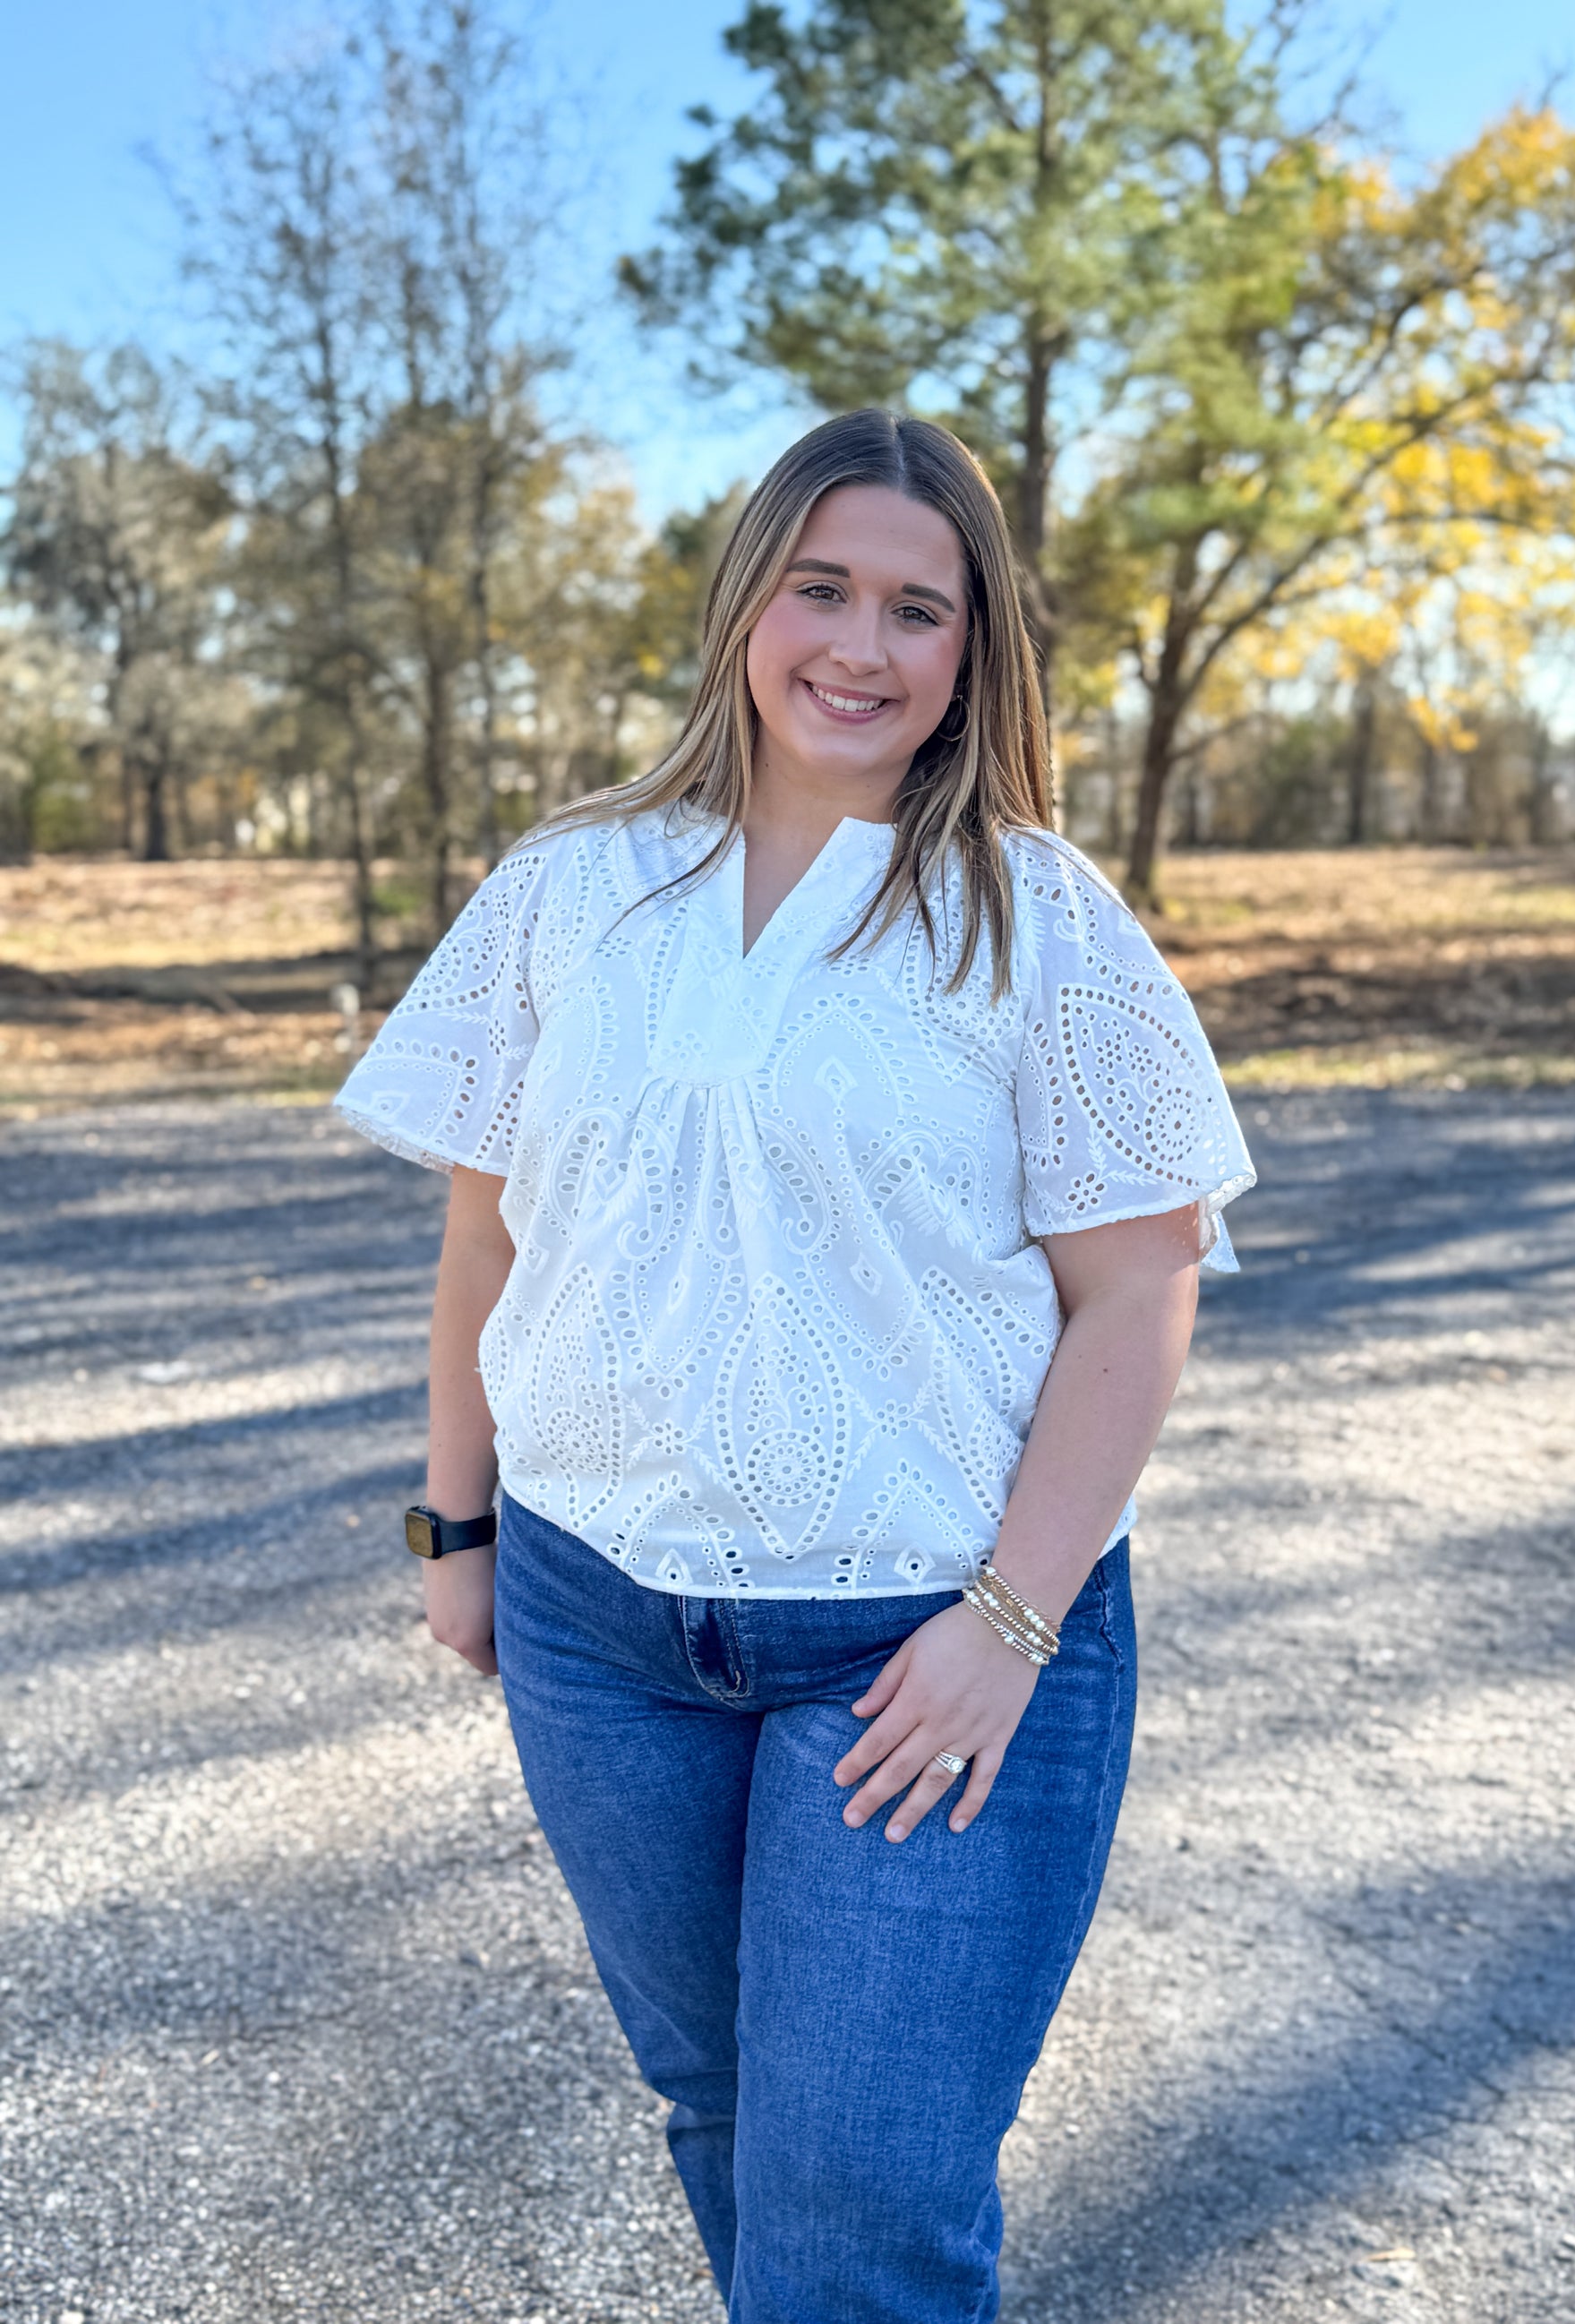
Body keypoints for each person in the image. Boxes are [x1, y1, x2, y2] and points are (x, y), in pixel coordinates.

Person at [334, 407, 1254, 2321]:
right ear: (745, 602)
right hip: (600, 1630)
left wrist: (1009, 1617)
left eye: (918, 607)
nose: (860, 641)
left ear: (973, 652)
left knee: (862, 2213)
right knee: (724, 2109)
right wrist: (457, 1524)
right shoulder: (571, 891)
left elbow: (1138, 1291)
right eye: (820, 585)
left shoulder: (1039, 920)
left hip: (923, 1638)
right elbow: (494, 1231)